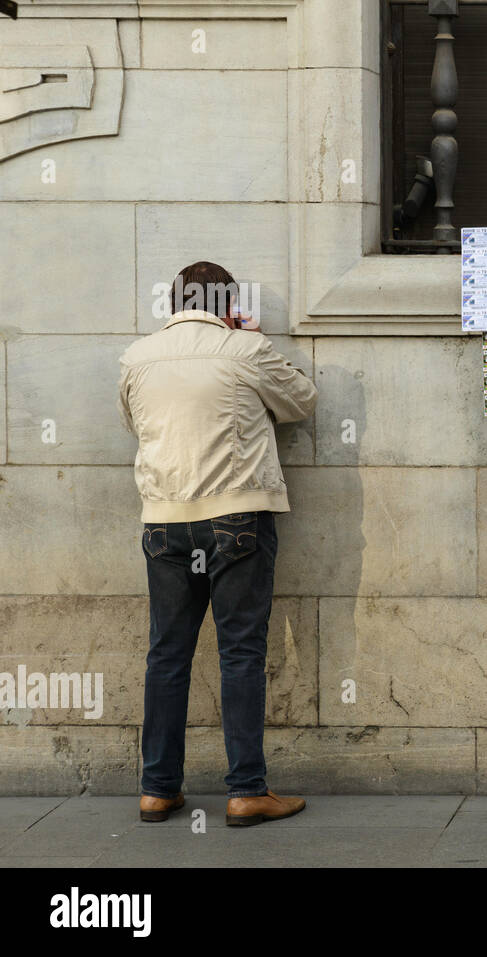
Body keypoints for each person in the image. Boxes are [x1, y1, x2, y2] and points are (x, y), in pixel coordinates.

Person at [117, 261, 318, 827]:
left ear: (173, 303)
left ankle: (157, 789)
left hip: (163, 520)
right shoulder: (243, 351)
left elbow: (134, 422)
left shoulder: (138, 357)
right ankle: (247, 791)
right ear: (228, 303)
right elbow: (302, 400)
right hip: (236, 518)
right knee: (241, 653)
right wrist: (253, 338)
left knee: (167, 653)